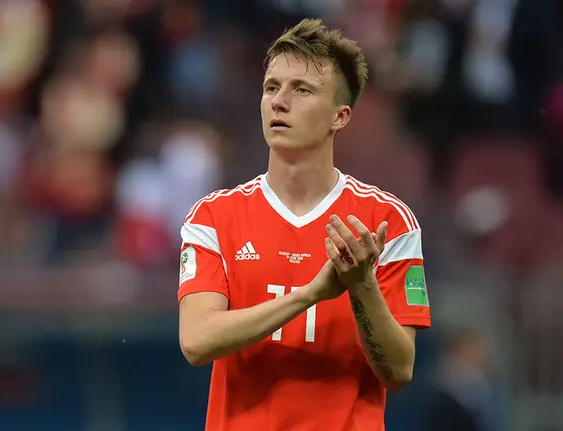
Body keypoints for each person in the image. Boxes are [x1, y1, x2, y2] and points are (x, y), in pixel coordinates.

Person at [177, 18, 431, 431]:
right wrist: (310, 295)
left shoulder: (387, 221)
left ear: (339, 117)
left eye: (302, 90)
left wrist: (361, 284)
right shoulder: (213, 217)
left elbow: (399, 370)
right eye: (271, 87)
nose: (279, 101)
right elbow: (196, 341)